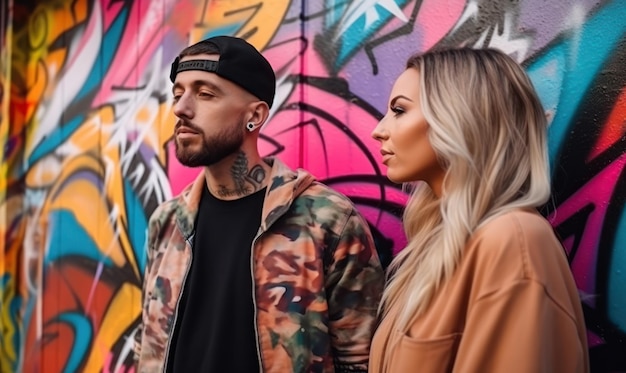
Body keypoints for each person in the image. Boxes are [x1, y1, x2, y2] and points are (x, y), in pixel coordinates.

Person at [133, 35, 385, 372]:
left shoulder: (327, 221)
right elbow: (148, 345)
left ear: (255, 115)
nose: (181, 108)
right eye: (178, 94)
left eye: (205, 94)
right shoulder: (168, 222)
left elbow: (359, 359)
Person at [369, 48, 589, 373]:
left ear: (460, 118)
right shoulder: (440, 246)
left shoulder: (514, 242)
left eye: (399, 110)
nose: (379, 129)